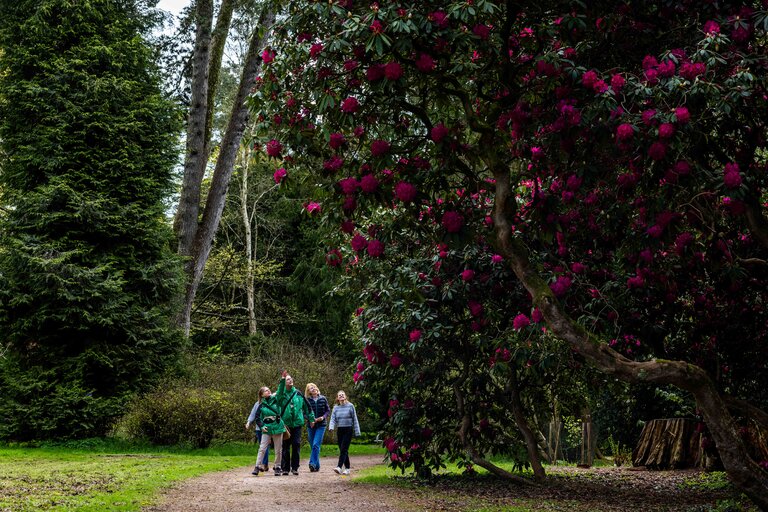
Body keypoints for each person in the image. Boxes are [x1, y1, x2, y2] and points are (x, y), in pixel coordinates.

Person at [252, 371, 289, 476]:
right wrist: (262, 426)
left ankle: (277, 467)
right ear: (262, 395)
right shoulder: (261, 405)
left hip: (277, 426)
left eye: (268, 390)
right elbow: (257, 417)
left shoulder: (277, 400)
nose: (268, 391)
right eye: (265, 391)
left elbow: (280, 390)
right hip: (267, 428)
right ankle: (257, 466)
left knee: (278, 449)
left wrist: (282, 379)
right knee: (262, 448)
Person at [278, 373, 315, 475]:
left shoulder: (298, 393)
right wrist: (282, 380)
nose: (290, 380)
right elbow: (279, 393)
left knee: (296, 444)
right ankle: (285, 468)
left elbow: (307, 407)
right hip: (285, 425)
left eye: (291, 379)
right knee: (285, 446)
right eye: (287, 380)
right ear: (284, 383)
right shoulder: (281, 394)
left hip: (297, 424)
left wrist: (311, 419)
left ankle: (295, 467)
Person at [328, 389, 360, 476]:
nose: (341, 396)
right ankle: (347, 468)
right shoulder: (335, 407)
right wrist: (331, 427)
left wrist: (357, 431)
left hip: (348, 429)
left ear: (345, 396)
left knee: (343, 449)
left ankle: (339, 467)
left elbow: (355, 419)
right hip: (340, 430)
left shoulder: (350, 406)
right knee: (343, 449)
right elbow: (333, 419)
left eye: (343, 394)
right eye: (339, 395)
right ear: (337, 398)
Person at [305, 382, 330, 472]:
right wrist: (310, 419)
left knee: (316, 444)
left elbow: (327, 410)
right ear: (309, 391)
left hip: (321, 425)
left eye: (314, 387)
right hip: (311, 426)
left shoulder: (323, 398)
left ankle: (312, 463)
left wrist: (322, 417)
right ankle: (316, 466)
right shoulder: (307, 400)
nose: (313, 388)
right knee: (313, 446)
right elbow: (304, 413)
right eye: (310, 388)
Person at [245, 396, 271, 475]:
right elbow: (253, 414)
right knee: (262, 446)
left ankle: (263, 464)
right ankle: (265, 464)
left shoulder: (272, 403)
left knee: (265, 446)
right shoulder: (257, 404)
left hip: (268, 428)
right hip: (259, 428)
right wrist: (248, 422)